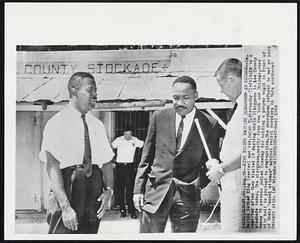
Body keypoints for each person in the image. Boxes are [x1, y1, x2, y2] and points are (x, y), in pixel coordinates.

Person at [133, 76, 220, 233]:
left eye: (185, 98)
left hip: (188, 196)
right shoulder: (159, 117)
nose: (180, 103)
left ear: (196, 96)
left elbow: (212, 161)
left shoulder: (209, 123)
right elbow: (146, 157)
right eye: (175, 98)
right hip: (156, 191)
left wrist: (197, 182)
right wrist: (138, 190)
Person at [39, 72, 114, 234]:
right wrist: (65, 208)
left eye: (96, 91)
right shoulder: (56, 123)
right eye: (90, 90)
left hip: (93, 189)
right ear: (74, 91)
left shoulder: (97, 125)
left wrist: (109, 190)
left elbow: (107, 161)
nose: (95, 95)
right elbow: (52, 167)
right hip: (67, 189)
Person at [205, 58, 243, 232]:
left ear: (231, 80)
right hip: (231, 186)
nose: (221, 90)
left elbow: (252, 152)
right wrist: (219, 164)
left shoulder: (251, 106)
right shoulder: (240, 106)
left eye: (221, 85)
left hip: (239, 189)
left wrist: (222, 169)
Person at [111, 128, 144, 219]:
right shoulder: (119, 140)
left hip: (129, 167)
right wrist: (113, 161)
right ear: (123, 133)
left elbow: (144, 145)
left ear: (132, 134)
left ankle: (132, 211)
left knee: (130, 190)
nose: (128, 136)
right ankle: (122, 210)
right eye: (126, 134)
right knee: (120, 189)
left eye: (130, 134)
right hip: (119, 167)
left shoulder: (135, 140)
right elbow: (111, 148)